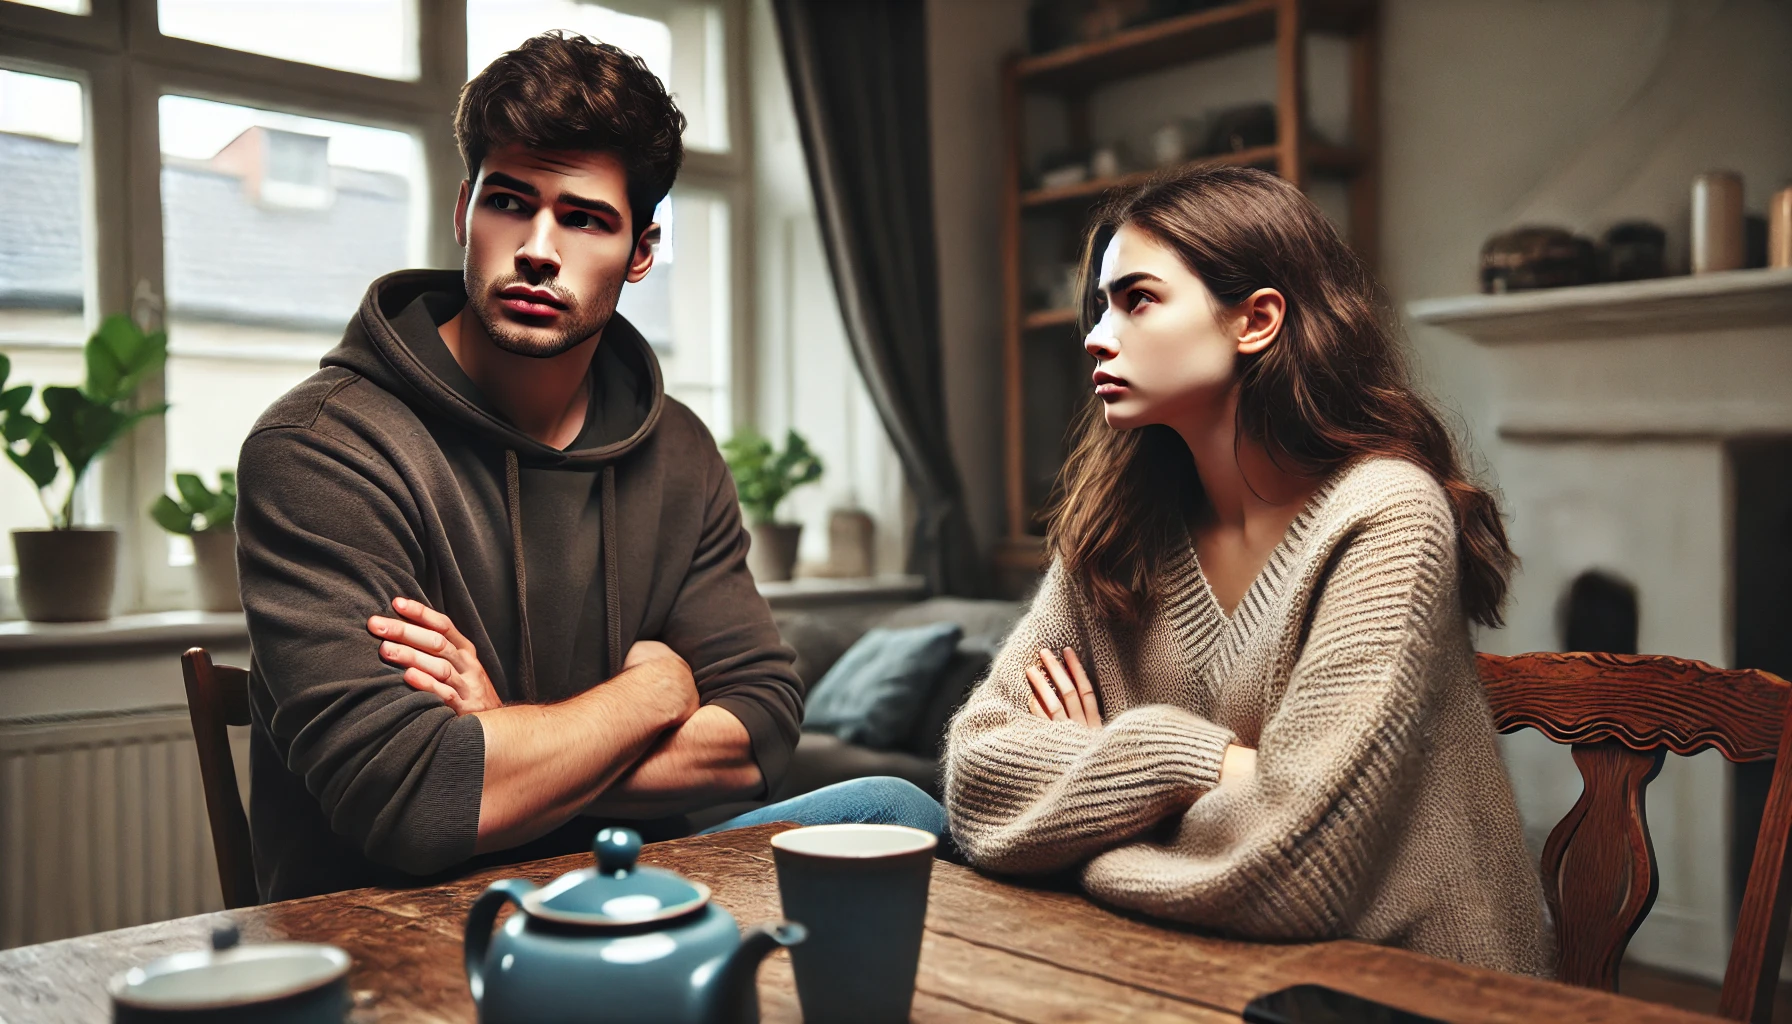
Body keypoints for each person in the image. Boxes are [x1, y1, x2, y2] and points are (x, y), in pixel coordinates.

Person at [237, 32, 940, 902]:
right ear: (464, 212)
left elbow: (760, 719)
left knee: (899, 808)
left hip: (634, 878)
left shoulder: (676, 449)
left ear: (640, 251)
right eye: (510, 202)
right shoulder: (323, 448)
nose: (539, 246)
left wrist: (504, 744)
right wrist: (654, 691)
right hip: (404, 912)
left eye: (584, 217)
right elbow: (417, 802)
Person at [942, 166, 1552, 975]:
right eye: (1099, 307)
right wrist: (1203, 765)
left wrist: (1085, 812)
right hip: (1185, 964)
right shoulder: (1116, 529)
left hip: (1408, 990)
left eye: (1138, 299)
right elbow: (978, 782)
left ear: (1256, 320)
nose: (1095, 334)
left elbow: (1298, 870)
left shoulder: (1386, 516)